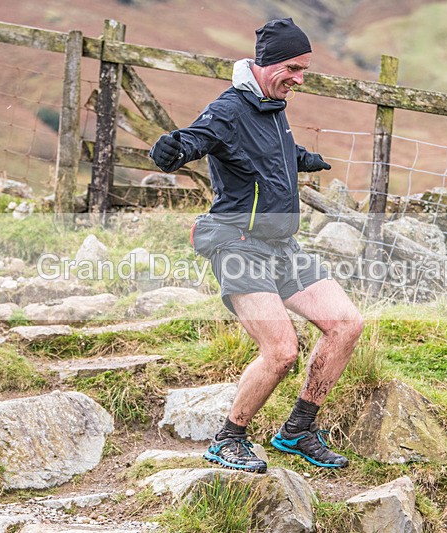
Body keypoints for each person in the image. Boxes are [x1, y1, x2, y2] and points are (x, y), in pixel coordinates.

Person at [149, 18, 364, 474]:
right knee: (282, 351)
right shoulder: (229, 109)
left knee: (346, 324)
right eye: (293, 68)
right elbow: (197, 138)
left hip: (281, 246)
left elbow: (261, 151)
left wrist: (300, 158)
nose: (300, 79)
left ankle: (298, 430)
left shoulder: (272, 103)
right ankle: (228, 439)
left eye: (304, 70)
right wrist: (171, 150)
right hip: (238, 245)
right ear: (267, 63)